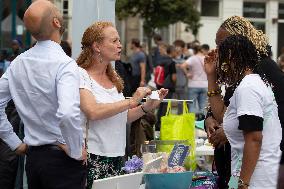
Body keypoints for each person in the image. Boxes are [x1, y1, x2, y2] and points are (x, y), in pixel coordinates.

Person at [0, 1, 87, 189]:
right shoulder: (64, 64)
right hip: (62, 159)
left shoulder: (18, 64)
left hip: (35, 158)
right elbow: (67, 113)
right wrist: (74, 150)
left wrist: (15, 143)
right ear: (56, 23)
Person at [76, 21, 168, 189]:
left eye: (119, 40)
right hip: (93, 156)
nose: (120, 45)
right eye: (114, 41)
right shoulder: (81, 75)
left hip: (117, 155)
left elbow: (122, 117)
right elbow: (93, 111)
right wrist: (131, 101)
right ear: (97, 46)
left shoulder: (113, 77)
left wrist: (146, 107)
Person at [204, 15, 284, 188]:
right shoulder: (243, 81)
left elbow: (254, 137)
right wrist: (211, 76)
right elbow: (225, 115)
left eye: (222, 46)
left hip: (254, 178)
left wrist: (242, 184)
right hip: (239, 172)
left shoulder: (249, 85)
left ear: (233, 52)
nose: (217, 52)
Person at [180, 45, 208, 118]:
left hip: (193, 84)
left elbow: (183, 65)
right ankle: (203, 124)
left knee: (192, 106)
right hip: (205, 85)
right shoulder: (206, 58)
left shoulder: (193, 58)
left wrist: (187, 74)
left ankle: (192, 124)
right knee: (203, 106)